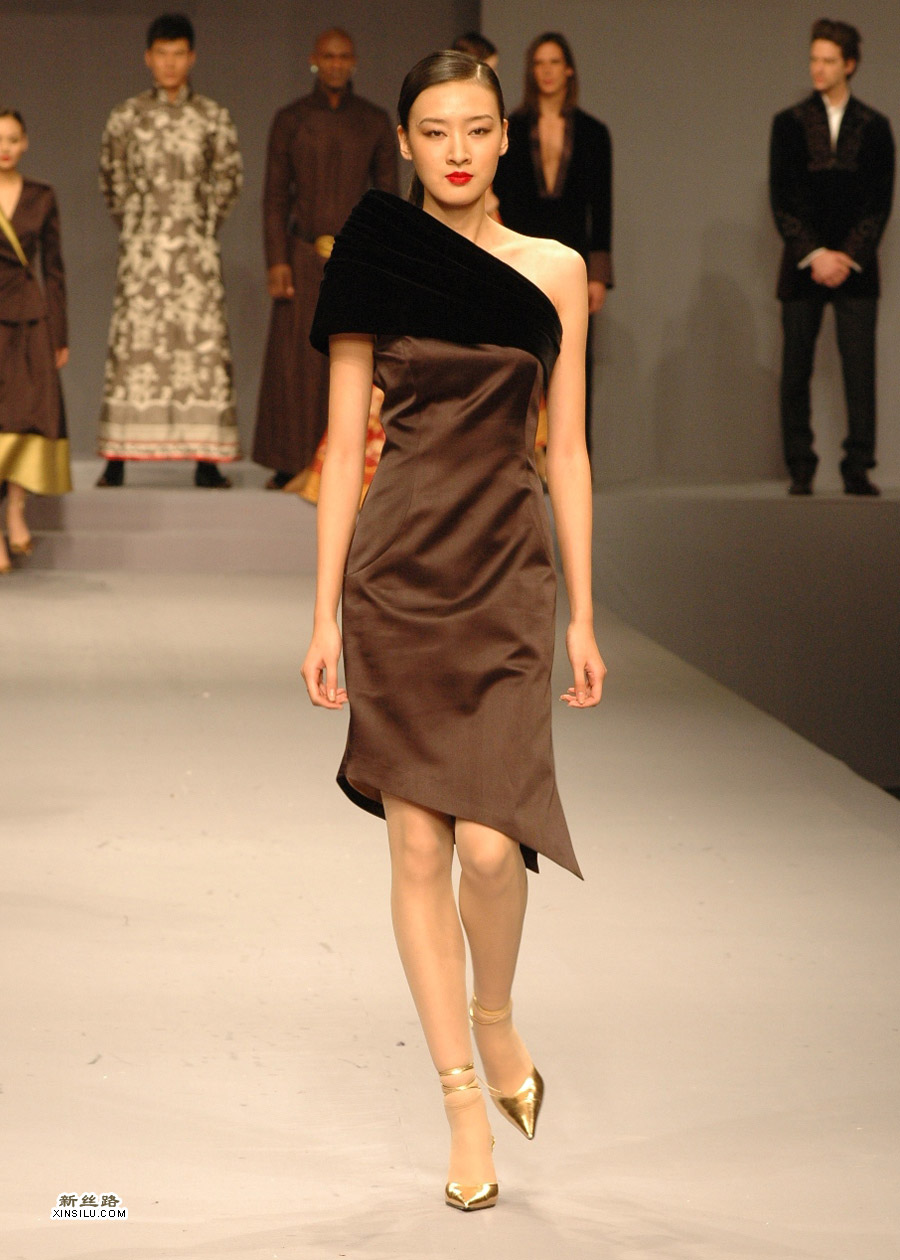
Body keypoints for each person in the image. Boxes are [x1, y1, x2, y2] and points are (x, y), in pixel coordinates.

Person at [301, 51, 605, 1211]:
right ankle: (462, 1104)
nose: (459, 151)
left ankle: (496, 1013)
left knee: (490, 847)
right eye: (436, 131)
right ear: (405, 143)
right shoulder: (374, 259)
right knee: (420, 850)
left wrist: (584, 610)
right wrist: (323, 611)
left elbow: (567, 448)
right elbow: (343, 449)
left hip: (509, 573)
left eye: (478, 128)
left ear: (505, 137)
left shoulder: (555, 270)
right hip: (398, 575)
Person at [96, 12, 242, 489]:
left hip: (195, 253)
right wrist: (139, 227)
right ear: (148, 58)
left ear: (191, 57)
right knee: (135, 348)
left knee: (201, 350)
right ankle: (117, 458)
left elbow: (228, 180)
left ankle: (207, 461)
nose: (170, 63)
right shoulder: (127, 116)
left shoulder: (213, 117)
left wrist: (198, 226)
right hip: (142, 252)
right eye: (162, 54)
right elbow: (111, 180)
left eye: (179, 54)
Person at [253, 28, 398, 491]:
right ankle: (289, 461)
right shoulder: (291, 119)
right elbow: (275, 196)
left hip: (355, 258)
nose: (336, 64)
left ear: (353, 62)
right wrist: (276, 260)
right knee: (295, 361)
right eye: (328, 56)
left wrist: (382, 264)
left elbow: (388, 197)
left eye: (344, 57)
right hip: (301, 254)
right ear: (315, 60)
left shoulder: (373, 121)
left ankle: (343, 459)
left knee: (349, 359)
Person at [770, 18, 894, 496]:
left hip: (856, 265)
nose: (817, 68)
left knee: (859, 369)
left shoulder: (876, 127)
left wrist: (846, 255)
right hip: (803, 263)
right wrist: (815, 254)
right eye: (813, 59)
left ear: (850, 64)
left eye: (827, 60)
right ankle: (800, 466)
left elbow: (879, 201)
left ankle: (858, 466)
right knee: (796, 368)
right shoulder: (788, 123)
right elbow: (782, 198)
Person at [492, 31, 613, 460]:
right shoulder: (511, 129)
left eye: (554, 62)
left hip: (573, 259)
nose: (546, 71)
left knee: (574, 360)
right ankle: (519, 457)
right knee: (519, 357)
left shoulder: (593, 133)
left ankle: (573, 457)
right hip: (519, 258)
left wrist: (598, 275)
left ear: (569, 70)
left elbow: (602, 207)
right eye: (539, 63)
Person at [0, 109, 70, 573]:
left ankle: (16, 508)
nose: (4, 147)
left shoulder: (41, 196)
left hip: (29, 318)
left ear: (25, 143)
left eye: (12, 139)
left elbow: (54, 269)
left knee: (28, 415)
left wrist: (59, 333)